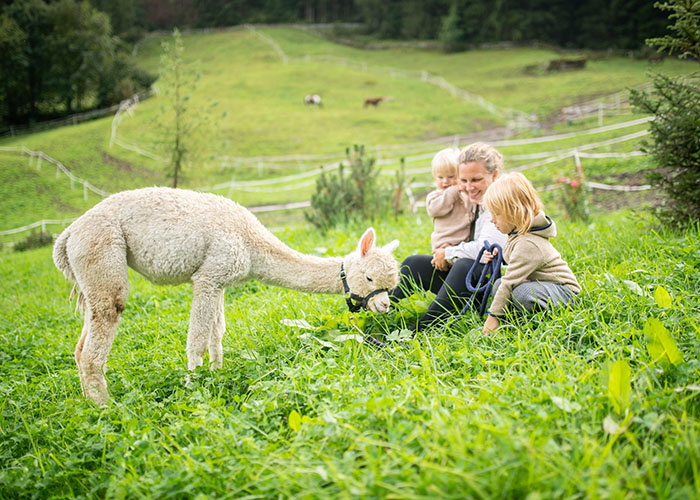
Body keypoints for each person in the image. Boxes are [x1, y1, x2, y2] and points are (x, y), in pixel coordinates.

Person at [390, 142, 507, 331]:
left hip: (493, 285)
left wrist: (448, 253)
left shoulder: (499, 203)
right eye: (464, 180)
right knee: (415, 263)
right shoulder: (474, 201)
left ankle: (418, 332)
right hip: (471, 280)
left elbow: (485, 248)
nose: (469, 187)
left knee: (464, 263)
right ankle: (377, 306)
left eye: (476, 180)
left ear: (493, 176)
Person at [481, 172, 581, 335]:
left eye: (496, 214)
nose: (492, 220)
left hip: (566, 294)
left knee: (522, 293)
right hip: (543, 286)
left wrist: (493, 316)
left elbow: (510, 281)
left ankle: (541, 323)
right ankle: (517, 321)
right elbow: (514, 269)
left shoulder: (528, 243)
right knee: (498, 284)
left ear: (514, 211)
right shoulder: (518, 234)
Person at [425, 147, 472, 252]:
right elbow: (434, 210)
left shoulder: (465, 195)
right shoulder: (435, 196)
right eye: (440, 177)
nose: (445, 181)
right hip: (443, 244)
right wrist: (451, 192)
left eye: (451, 177)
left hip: (463, 245)